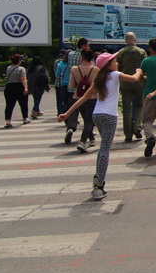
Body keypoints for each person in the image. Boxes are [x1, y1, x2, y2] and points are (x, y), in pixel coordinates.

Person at [58, 52, 142, 200]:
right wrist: (139, 71)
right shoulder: (115, 74)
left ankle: (98, 176)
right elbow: (134, 79)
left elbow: (84, 97)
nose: (116, 62)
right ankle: (99, 185)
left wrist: (67, 113)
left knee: (103, 147)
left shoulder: (99, 78)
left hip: (97, 115)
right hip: (110, 116)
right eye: (114, 60)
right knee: (104, 149)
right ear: (109, 64)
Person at [116, 32, 146, 142]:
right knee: (139, 105)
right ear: (135, 39)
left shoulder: (121, 53)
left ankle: (128, 134)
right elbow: (144, 67)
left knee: (127, 109)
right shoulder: (141, 52)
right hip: (139, 82)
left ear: (125, 40)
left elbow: (117, 68)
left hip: (125, 83)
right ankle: (138, 126)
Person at [69, 49, 99, 153]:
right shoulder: (96, 70)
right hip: (92, 97)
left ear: (82, 57)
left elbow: (72, 85)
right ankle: (82, 142)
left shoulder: (75, 69)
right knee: (88, 121)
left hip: (79, 97)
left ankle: (91, 139)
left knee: (86, 120)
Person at [64, 38, 90, 144]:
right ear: (83, 46)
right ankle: (89, 132)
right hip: (85, 91)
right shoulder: (87, 56)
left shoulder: (70, 55)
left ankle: (71, 127)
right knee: (86, 113)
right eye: (88, 45)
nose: (89, 47)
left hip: (72, 87)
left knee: (73, 110)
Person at [3, 54, 30, 128]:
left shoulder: (8, 68)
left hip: (9, 87)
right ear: (19, 60)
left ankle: (8, 121)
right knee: (23, 104)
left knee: (9, 105)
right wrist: (26, 88)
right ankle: (25, 119)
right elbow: (23, 79)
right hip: (19, 86)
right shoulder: (21, 69)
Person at [54, 50, 70, 115]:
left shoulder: (59, 63)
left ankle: (62, 114)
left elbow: (57, 75)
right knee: (71, 102)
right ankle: (71, 117)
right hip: (71, 85)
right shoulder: (71, 64)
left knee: (63, 101)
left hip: (62, 84)